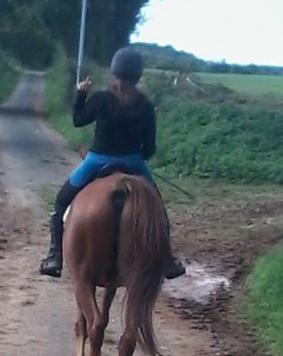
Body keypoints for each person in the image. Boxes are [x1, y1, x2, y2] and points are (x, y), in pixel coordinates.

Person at [40, 47, 186, 279]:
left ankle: (54, 256)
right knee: (158, 209)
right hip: (134, 163)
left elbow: (78, 120)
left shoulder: (101, 99)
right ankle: (168, 260)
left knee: (60, 204)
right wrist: (136, 156)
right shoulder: (146, 106)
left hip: (95, 161)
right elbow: (149, 148)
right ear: (138, 74)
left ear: (114, 71)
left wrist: (81, 94)